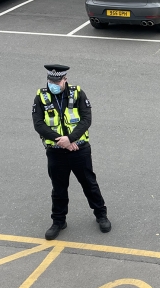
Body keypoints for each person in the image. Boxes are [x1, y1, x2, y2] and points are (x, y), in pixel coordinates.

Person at [32, 63, 110, 241]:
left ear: (65, 80)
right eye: (50, 80)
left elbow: (86, 119)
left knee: (89, 184)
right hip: (56, 151)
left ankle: (101, 215)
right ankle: (58, 221)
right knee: (58, 189)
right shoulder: (41, 97)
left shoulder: (77, 93)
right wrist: (63, 141)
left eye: (57, 80)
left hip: (79, 150)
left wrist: (71, 139)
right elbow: (39, 124)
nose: (53, 83)